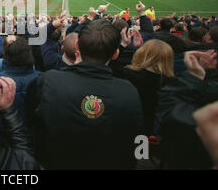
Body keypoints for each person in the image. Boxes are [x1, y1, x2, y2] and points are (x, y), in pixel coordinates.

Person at [26, 19, 144, 169]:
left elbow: (31, 123)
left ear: (77, 47)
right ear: (115, 54)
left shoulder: (48, 81)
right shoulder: (129, 92)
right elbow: (138, 144)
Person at [113, 39, 177, 136]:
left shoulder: (127, 75)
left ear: (141, 53)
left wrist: (123, 45)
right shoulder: (172, 83)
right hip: (151, 130)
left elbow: (110, 63)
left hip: (124, 126)